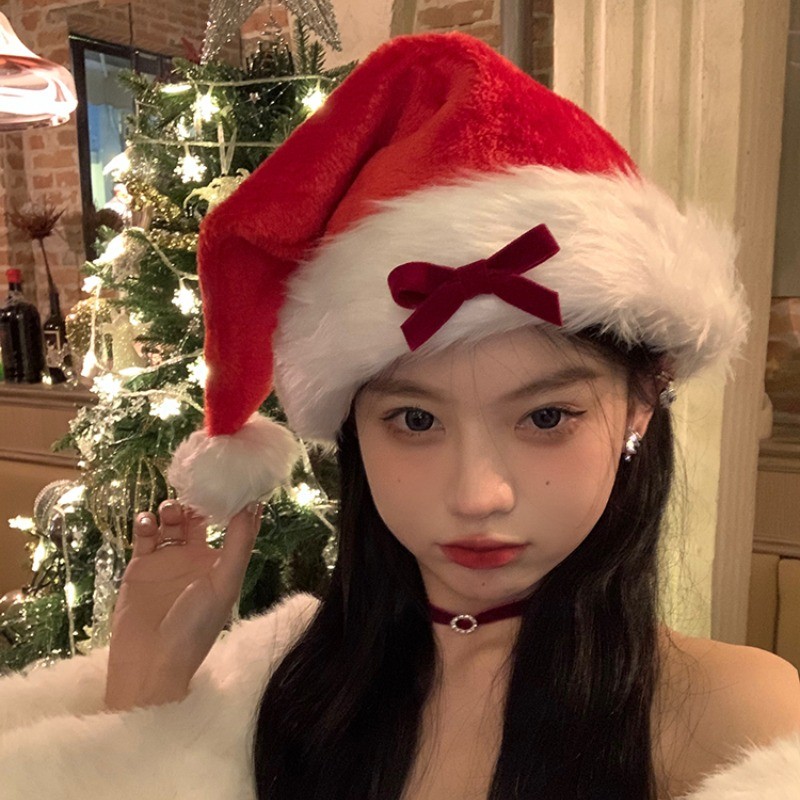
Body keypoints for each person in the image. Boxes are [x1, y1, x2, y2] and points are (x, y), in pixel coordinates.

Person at [1, 31, 799, 800]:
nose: (477, 495)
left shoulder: (738, 722)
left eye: (546, 417)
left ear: (641, 406)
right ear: (354, 428)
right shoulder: (280, 685)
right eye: (416, 421)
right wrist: (146, 685)